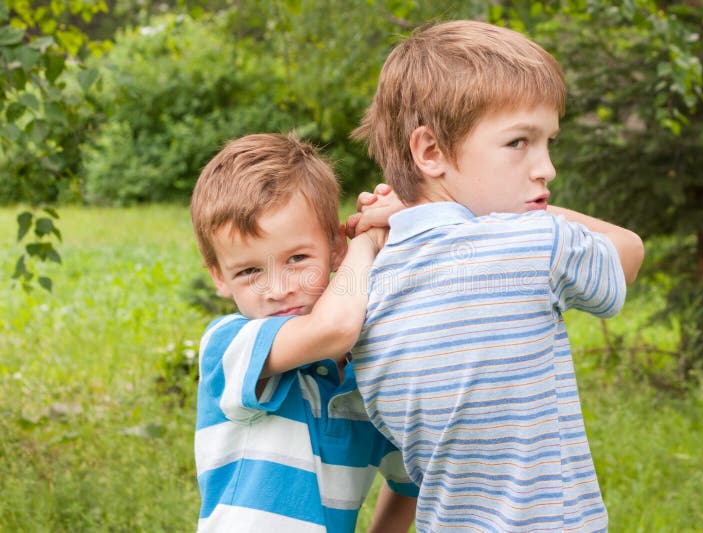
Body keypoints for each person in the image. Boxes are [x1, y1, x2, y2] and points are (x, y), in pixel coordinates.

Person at [347, 20, 645, 532]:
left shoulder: (367, 288)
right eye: (519, 143)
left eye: (547, 142)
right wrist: (535, 217)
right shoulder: (535, 244)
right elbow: (628, 250)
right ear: (432, 152)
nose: (546, 168)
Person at [189, 133, 418, 533]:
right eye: (249, 271)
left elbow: (409, 481)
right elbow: (333, 329)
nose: (278, 289)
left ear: (333, 245)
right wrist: (366, 241)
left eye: (297, 258)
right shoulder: (228, 344)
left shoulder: (365, 376)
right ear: (218, 277)